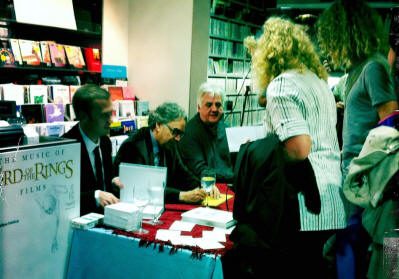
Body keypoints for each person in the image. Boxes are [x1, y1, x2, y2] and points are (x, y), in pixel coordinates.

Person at [251, 17, 347, 278]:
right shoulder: (319, 84)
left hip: (302, 203)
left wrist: (262, 150)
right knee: (312, 266)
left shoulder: (281, 84)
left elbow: (299, 149)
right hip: (330, 197)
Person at [317, 1, 399, 278]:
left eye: (331, 40)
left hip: (366, 180)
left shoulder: (374, 68)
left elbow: (391, 124)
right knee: (344, 249)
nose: (328, 48)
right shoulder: (357, 70)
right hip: (352, 177)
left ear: (346, 34)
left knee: (356, 250)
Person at [113, 102, 212, 204]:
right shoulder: (134, 146)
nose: (177, 138)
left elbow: (183, 174)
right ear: (158, 125)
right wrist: (181, 196)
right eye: (175, 132)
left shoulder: (170, 144)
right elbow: (142, 189)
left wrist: (205, 187)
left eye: (180, 134)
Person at [62, 84, 120, 215]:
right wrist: (94, 196)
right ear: (83, 116)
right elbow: (61, 196)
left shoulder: (105, 142)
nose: (111, 120)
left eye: (111, 113)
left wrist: (112, 181)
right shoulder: (65, 148)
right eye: (104, 115)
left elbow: (102, 180)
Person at [179, 82, 233, 183]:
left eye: (218, 105)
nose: (214, 109)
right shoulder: (189, 133)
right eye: (209, 105)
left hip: (230, 184)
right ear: (199, 108)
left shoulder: (226, 129)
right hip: (207, 186)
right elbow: (199, 169)